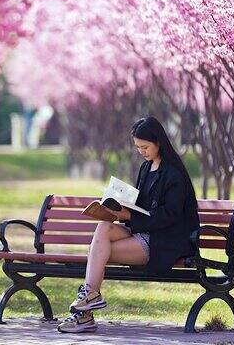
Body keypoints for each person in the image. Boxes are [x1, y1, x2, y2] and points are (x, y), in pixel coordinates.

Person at [57, 116, 200, 333]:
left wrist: (130, 216)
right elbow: (140, 206)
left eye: (145, 146)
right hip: (142, 231)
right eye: (138, 147)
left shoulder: (174, 174)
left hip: (163, 241)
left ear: (158, 142)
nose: (141, 151)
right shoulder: (146, 168)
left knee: (97, 251)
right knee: (103, 227)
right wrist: (117, 209)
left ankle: (84, 314)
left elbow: (169, 215)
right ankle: (90, 298)